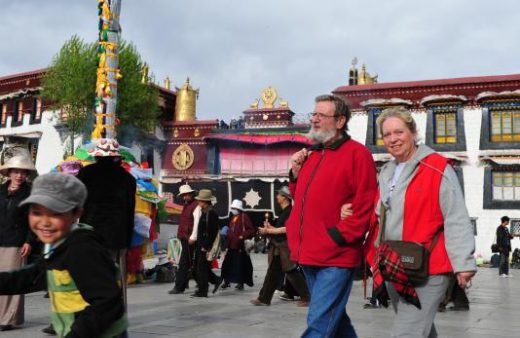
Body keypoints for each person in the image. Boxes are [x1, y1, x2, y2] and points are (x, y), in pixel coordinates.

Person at [365, 106, 476, 338]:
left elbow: (456, 216)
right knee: (419, 329)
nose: (393, 139)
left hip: (428, 267)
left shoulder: (436, 167)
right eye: (387, 135)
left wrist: (463, 262)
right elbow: (378, 215)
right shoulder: (386, 171)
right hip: (394, 264)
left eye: (399, 132)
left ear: (413, 132)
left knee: (408, 332)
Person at [286, 94, 378, 337]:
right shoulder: (312, 154)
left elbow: (365, 203)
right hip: (308, 254)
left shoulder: (358, 154)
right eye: (313, 114)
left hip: (336, 255)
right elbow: (303, 200)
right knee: (335, 323)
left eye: (321, 115)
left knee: (319, 324)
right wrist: (295, 174)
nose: (314, 119)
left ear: (340, 121)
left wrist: (338, 236)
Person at [0, 173, 127, 337]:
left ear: (76, 214)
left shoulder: (82, 248)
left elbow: (107, 301)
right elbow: (31, 277)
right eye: (37, 213)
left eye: (56, 213)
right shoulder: (59, 245)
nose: (45, 222)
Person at [77, 138, 136, 305]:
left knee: (89, 275)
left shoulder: (86, 173)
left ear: (96, 156)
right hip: (117, 237)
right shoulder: (128, 179)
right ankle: (116, 315)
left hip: (90, 233)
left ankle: (88, 313)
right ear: (116, 157)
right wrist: (127, 240)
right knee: (116, 278)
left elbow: (77, 202)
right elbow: (130, 211)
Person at [251, 186, 310, 307]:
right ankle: (264, 298)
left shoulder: (290, 211)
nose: (277, 196)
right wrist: (270, 228)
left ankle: (307, 297)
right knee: (272, 273)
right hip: (278, 247)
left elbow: (287, 229)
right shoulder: (283, 212)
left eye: (279, 195)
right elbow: (280, 229)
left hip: (285, 248)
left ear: (285, 197)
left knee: (291, 272)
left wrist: (269, 231)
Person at [0, 154, 36, 331]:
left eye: (23, 172)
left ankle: (8, 318)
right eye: (16, 172)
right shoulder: (0, 190)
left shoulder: (29, 193)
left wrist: (29, 241)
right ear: (9, 172)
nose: (19, 175)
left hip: (16, 242)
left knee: (12, 280)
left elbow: (33, 219)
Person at [191, 189, 223, 297]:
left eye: (200, 201)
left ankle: (203, 291)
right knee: (199, 268)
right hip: (200, 244)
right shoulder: (204, 213)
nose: (198, 203)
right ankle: (215, 280)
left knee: (202, 269)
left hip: (205, 246)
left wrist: (205, 246)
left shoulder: (211, 214)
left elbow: (212, 233)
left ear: (205, 202)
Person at [168, 184, 198, 294]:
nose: (184, 197)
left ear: (191, 194)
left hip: (190, 238)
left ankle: (179, 286)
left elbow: (196, 224)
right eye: (183, 196)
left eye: (186, 195)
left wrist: (193, 237)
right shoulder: (187, 205)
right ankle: (185, 284)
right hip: (184, 237)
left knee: (184, 263)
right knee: (189, 263)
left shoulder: (195, 206)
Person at [221, 199, 255, 290]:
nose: (232, 209)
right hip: (231, 245)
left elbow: (250, 230)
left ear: (238, 208)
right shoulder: (233, 218)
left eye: (234, 208)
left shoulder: (244, 217)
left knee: (240, 265)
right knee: (227, 264)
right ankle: (226, 281)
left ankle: (240, 283)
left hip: (239, 246)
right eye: (232, 208)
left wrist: (242, 236)